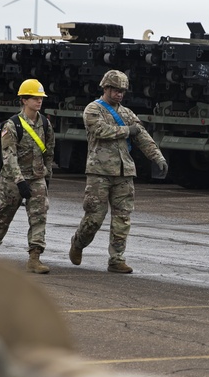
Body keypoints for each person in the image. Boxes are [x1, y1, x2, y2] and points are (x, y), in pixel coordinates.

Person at [69, 70, 167, 274]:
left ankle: (117, 258)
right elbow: (100, 131)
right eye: (115, 90)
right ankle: (78, 243)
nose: (119, 94)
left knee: (122, 218)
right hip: (99, 172)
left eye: (122, 91)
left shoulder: (127, 113)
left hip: (124, 173)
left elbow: (143, 137)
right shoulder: (93, 109)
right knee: (94, 217)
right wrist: (126, 131)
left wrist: (157, 156)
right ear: (105, 88)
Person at [0, 78, 55, 274]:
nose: (38, 101)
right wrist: (20, 181)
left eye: (40, 97)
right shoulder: (12, 125)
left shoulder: (46, 124)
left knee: (39, 216)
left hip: (37, 176)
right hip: (13, 180)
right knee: (5, 214)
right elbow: (9, 156)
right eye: (34, 97)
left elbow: (49, 152)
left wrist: (47, 175)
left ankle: (34, 257)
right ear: (24, 100)